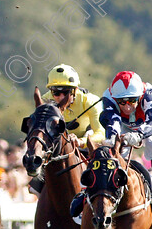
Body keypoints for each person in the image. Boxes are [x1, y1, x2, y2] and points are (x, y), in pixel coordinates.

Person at [71, 70, 152, 226]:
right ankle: (88, 192)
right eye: (122, 102)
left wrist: (139, 135)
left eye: (132, 101)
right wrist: (113, 137)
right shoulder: (108, 96)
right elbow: (113, 122)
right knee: (111, 150)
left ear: (139, 96)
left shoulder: (149, 95)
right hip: (126, 124)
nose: (127, 106)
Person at [31, 64, 105, 196]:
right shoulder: (46, 100)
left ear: (75, 90)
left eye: (65, 92)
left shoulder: (90, 101)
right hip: (60, 146)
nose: (60, 97)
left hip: (85, 143)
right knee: (34, 189)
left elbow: (101, 133)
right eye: (56, 92)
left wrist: (81, 141)